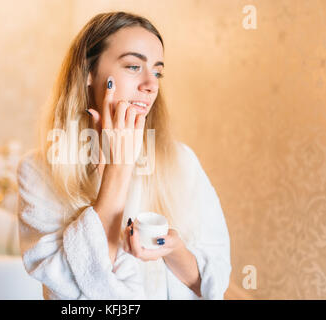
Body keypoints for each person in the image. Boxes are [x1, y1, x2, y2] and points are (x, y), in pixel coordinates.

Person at [16, 11, 231, 300]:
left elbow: (214, 282)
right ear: (88, 73)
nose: (150, 84)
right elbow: (68, 292)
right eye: (133, 66)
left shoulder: (182, 160)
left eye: (157, 71)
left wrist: (174, 250)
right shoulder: (37, 171)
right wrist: (118, 168)